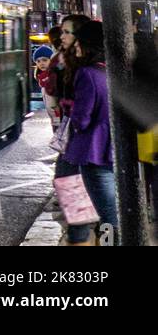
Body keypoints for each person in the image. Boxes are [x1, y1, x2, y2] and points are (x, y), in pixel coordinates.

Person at [61, 20, 118, 244]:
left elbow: (82, 119)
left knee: (109, 216)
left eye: (78, 41)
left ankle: (81, 238)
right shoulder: (115, 70)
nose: (75, 46)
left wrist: (71, 113)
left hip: (93, 150)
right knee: (113, 211)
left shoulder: (86, 73)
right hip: (115, 149)